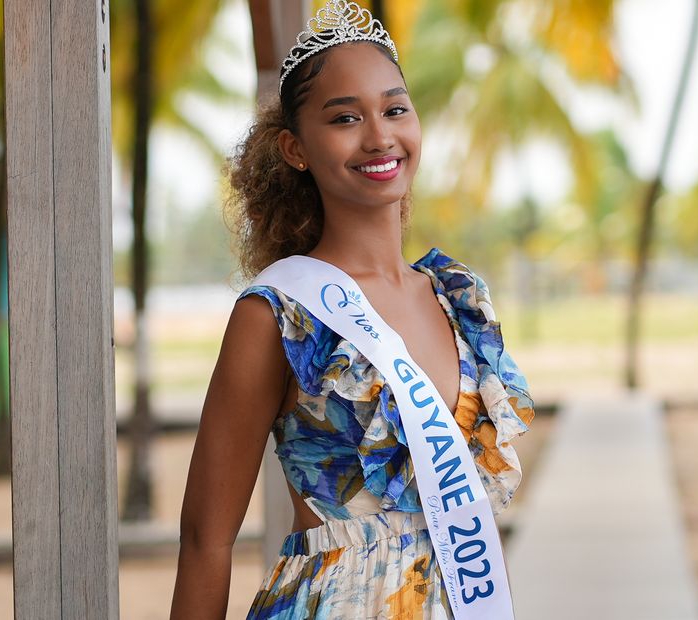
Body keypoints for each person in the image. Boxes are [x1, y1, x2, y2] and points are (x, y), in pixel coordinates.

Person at [170, 2, 534, 618]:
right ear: (295, 149)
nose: (379, 136)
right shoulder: (280, 313)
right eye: (345, 118)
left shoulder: (457, 299)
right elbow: (207, 540)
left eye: (395, 109)